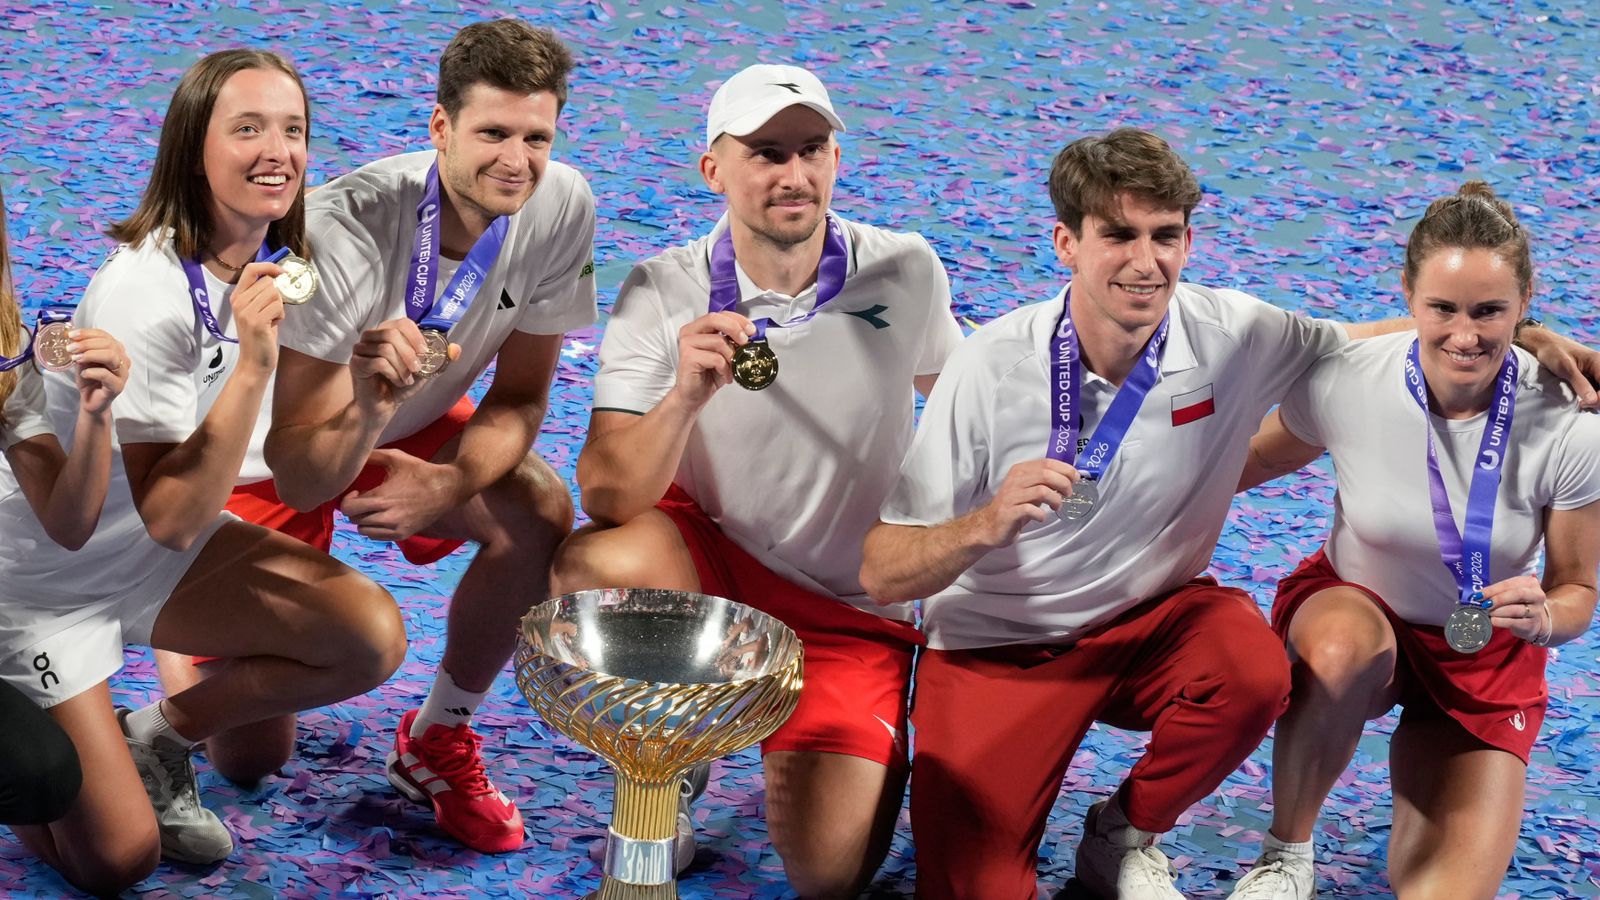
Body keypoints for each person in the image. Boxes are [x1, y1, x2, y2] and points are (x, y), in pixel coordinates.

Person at [858, 128, 1600, 900]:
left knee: (1252, 673)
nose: (1145, 261)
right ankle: (1241, 842)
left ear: (1188, 241)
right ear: (1066, 243)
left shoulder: (1233, 332)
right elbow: (882, 571)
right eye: (1118, 235)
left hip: (1153, 626)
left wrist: (1520, 337)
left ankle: (1125, 833)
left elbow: (1391, 341)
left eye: (1165, 235)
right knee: (973, 890)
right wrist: (985, 522)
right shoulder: (988, 369)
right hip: (1000, 647)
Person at [550, 63, 964, 895]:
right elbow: (605, 495)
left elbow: (966, 407)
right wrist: (684, 397)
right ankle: (668, 765)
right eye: (767, 153)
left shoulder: (905, 268)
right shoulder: (661, 288)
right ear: (715, 169)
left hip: (849, 605)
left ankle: (842, 743)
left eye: (812, 149)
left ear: (837, 158)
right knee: (598, 567)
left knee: (827, 876)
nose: (794, 175)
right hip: (711, 571)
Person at [0, 50, 405, 895]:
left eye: (292, 130)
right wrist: (254, 367)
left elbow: (298, 478)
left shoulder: (275, 267)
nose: (278, 150)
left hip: (146, 554)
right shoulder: (144, 294)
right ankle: (32, 736)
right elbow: (174, 517)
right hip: (45, 582)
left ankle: (147, 735)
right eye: (247, 128)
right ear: (193, 151)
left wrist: (368, 405)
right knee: (118, 861)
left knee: (365, 636)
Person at [264, 20, 594, 854]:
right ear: (441, 127)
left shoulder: (560, 204)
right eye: (492, 133)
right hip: (269, 453)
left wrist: (448, 486)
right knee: (250, 757)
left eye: (535, 137)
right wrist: (366, 428)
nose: (516, 160)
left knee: (535, 510)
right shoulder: (339, 227)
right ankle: (177, 643)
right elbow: (299, 463)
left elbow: (519, 397)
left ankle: (437, 737)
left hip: (400, 426)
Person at [1225, 182, 1599, 900]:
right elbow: (1248, 462)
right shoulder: (1350, 379)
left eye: (1489, 311)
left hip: (1486, 657)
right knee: (1341, 647)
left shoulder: (1572, 424)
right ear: (1409, 297)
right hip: (1359, 616)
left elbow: (1578, 588)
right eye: (1443, 309)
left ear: (1526, 302)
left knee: (1442, 893)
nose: (1466, 335)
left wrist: (1547, 618)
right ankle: (1285, 857)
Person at [0, 181, 105, 831]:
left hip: (16, 597)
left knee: (112, 846)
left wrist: (94, 416)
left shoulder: (12, 349)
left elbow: (68, 524)